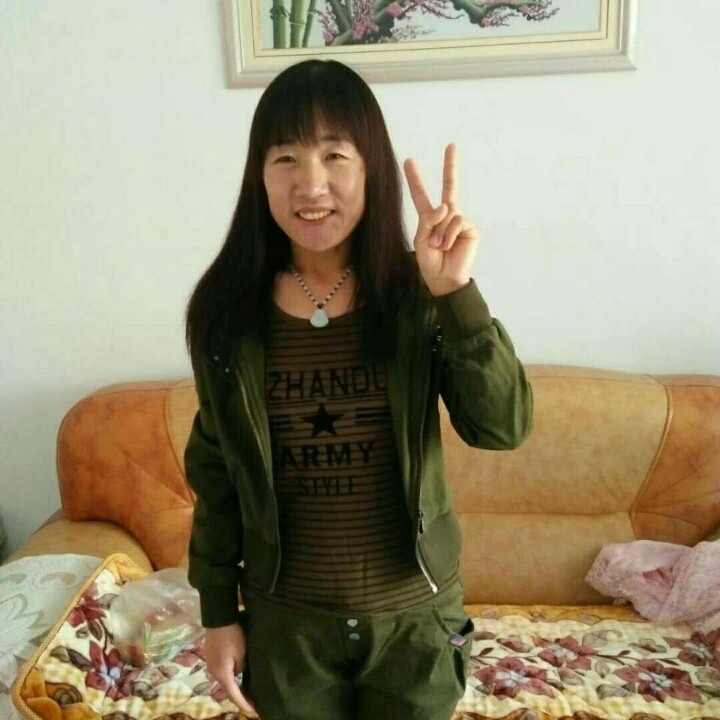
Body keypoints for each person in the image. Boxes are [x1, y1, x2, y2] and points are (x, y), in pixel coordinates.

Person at [183, 58, 534, 720]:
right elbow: (217, 475)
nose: (311, 184)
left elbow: (502, 427)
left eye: (335, 155)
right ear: (259, 175)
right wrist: (218, 614)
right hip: (287, 630)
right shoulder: (227, 314)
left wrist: (455, 294)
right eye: (285, 157)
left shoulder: (419, 295)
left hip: (416, 626)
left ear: (371, 167)